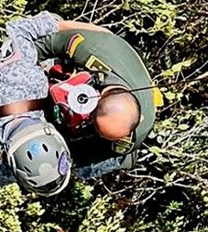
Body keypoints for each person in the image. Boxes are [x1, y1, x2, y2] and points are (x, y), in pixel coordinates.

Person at [35, 17, 161, 180]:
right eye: (98, 128)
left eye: (104, 134)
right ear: (94, 99)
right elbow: (49, 42)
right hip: (104, 46)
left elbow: (89, 151)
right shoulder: (95, 51)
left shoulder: (135, 135)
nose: (100, 135)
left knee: (66, 167)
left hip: (111, 151)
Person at [0, 12, 72, 197]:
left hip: (29, 65)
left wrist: (102, 34)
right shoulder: (0, 155)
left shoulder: (22, 83)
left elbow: (21, 29)